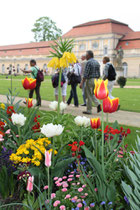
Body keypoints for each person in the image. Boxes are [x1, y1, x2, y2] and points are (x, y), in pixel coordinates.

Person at [80, 50, 101, 115]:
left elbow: (86, 74)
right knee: (92, 94)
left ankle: (89, 110)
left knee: (88, 95)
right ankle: (98, 104)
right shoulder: (97, 62)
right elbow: (99, 73)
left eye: (86, 55)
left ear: (89, 55)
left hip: (90, 80)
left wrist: (82, 82)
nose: (85, 56)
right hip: (96, 80)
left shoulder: (88, 62)